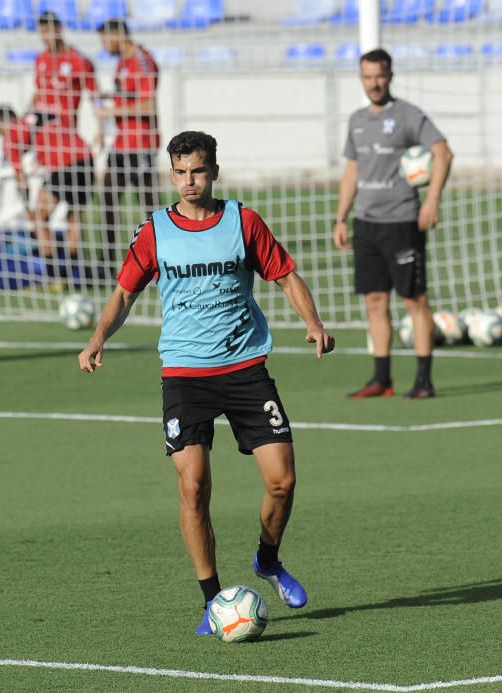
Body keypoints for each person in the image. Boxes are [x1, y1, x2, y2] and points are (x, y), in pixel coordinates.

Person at [78, 131, 334, 635]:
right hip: (185, 374)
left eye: (196, 171)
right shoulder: (155, 230)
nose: (188, 181)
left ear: (214, 171)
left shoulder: (243, 221)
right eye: (179, 172)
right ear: (170, 174)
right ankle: (212, 598)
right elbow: (124, 293)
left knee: (282, 480)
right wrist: (97, 338)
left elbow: (285, 275)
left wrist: (314, 322)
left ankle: (267, 560)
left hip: (244, 368)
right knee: (193, 486)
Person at [332, 49, 452, 400]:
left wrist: (431, 199)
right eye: (368, 76)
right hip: (366, 223)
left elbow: (443, 153)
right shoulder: (356, 120)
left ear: (391, 75)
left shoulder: (408, 115)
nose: (374, 83)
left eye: (380, 76)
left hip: (402, 221)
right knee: (374, 300)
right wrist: (341, 218)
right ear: (360, 78)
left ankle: (424, 379)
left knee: (414, 300)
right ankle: (381, 379)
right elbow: (352, 171)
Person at [32, 10, 99, 282]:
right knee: (69, 216)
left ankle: (54, 276)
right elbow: (37, 98)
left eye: (49, 30)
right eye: (42, 32)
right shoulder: (41, 61)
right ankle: (70, 275)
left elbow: (95, 96)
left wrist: (101, 131)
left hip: (72, 156)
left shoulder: (79, 62)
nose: (46, 36)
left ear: (59, 29)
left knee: (42, 214)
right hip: (59, 156)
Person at [94, 19, 160, 282]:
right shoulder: (122, 62)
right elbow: (129, 97)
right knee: (107, 200)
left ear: (118, 35)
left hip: (141, 144)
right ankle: (107, 264)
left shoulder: (143, 61)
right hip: (121, 144)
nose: (103, 45)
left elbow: (148, 106)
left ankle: (160, 262)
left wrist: (112, 109)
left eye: (104, 39)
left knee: (149, 207)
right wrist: (110, 100)